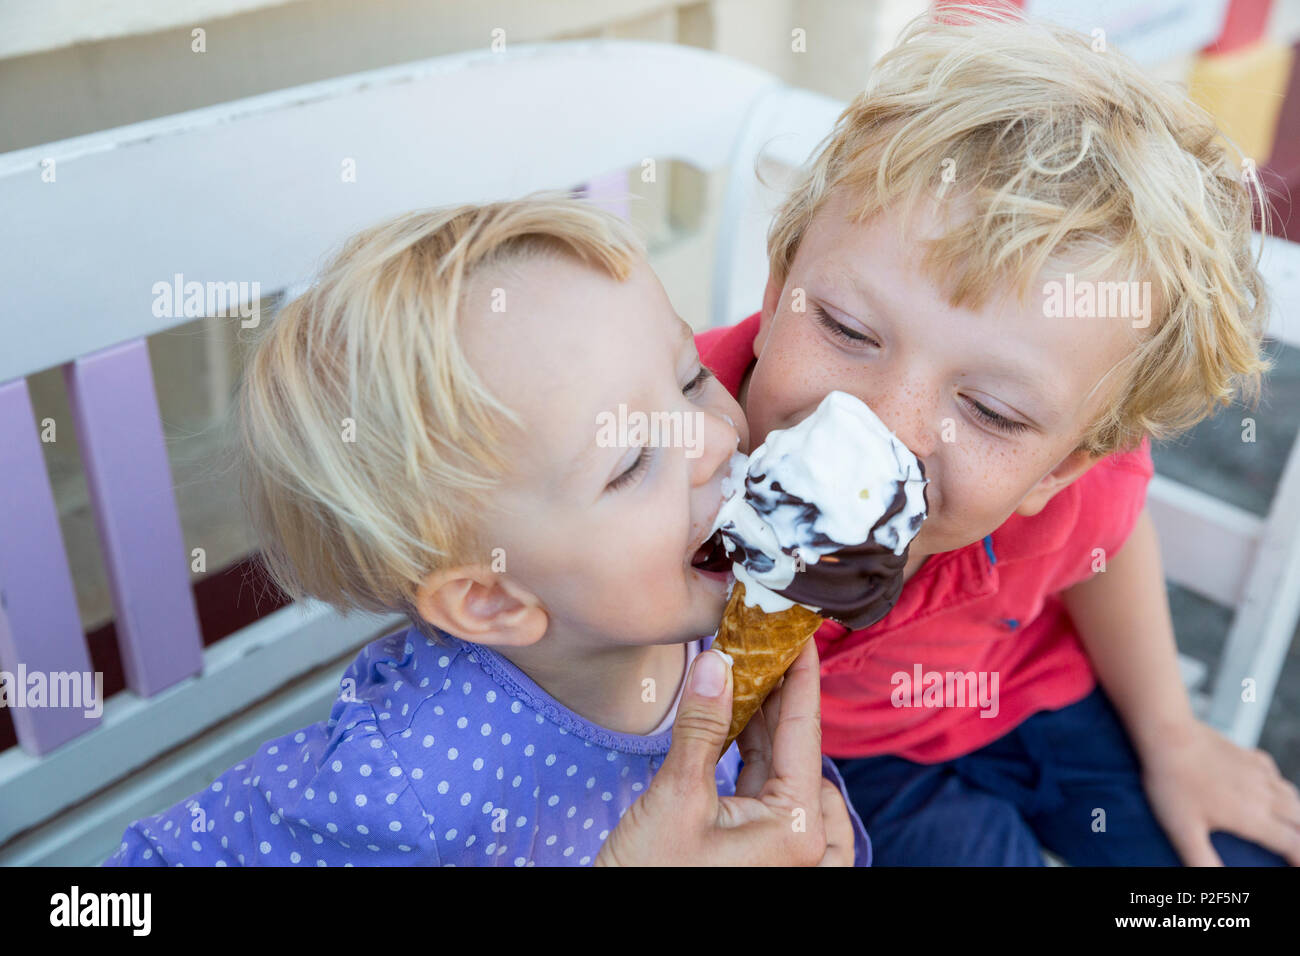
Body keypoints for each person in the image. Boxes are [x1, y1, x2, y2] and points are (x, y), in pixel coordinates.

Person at [695, 8, 1299, 865]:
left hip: (1031, 697)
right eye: (845, 328)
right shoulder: (668, 444)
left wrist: (1172, 735)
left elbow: (1106, 542)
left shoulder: (1072, 484)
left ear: (1065, 464)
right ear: (781, 277)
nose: (889, 425)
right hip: (841, 764)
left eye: (994, 412)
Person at [102, 196, 866, 867]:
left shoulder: (702, 616)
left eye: (690, 377)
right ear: (493, 600)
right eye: (632, 461)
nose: (715, 438)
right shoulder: (408, 782)